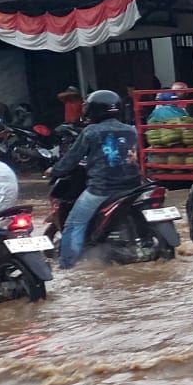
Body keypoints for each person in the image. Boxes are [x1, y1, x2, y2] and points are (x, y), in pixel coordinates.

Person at [46, 90, 141, 270]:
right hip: (133, 186)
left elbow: (71, 159)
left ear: (93, 109)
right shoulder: (131, 130)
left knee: (74, 224)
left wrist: (55, 170)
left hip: (102, 188)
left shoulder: (91, 131)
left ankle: (67, 266)